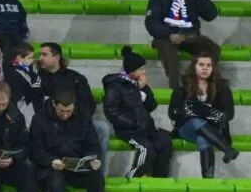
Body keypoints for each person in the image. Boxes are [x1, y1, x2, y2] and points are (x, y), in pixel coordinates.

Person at [31, 88, 106, 192]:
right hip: (50, 168)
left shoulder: (83, 117)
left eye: (69, 111)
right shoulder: (39, 119)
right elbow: (35, 150)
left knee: (97, 179)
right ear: (54, 104)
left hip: (76, 167)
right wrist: (51, 161)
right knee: (56, 181)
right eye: (61, 111)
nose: (65, 115)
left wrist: (93, 159)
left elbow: (93, 145)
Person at [37, 42, 111, 168]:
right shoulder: (37, 78)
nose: (40, 58)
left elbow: (88, 105)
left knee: (103, 128)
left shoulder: (76, 78)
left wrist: (76, 119)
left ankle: (98, 171)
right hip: (50, 123)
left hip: (76, 121)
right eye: (40, 54)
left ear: (57, 57)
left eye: (44, 54)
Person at [145, 0, 220, 84]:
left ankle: (202, 85)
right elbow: (151, 23)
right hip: (167, 36)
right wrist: (169, 33)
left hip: (190, 35)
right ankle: (177, 90)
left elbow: (211, 15)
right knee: (169, 54)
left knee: (212, 49)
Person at [104, 45, 173, 179]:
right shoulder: (115, 87)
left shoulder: (139, 84)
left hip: (146, 128)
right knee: (146, 150)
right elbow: (111, 111)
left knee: (164, 142)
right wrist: (132, 123)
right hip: (129, 131)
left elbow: (152, 106)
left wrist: (145, 89)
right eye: (141, 69)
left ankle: (159, 180)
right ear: (131, 71)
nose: (144, 72)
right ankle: (131, 179)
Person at [168, 52, 237, 178]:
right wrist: (202, 113)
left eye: (208, 65)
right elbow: (173, 113)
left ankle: (208, 180)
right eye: (201, 64)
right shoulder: (182, 86)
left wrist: (197, 111)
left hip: (214, 129)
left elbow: (229, 114)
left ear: (212, 68)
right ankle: (227, 149)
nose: (205, 68)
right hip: (187, 129)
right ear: (194, 66)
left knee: (204, 138)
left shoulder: (222, 87)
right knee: (195, 121)